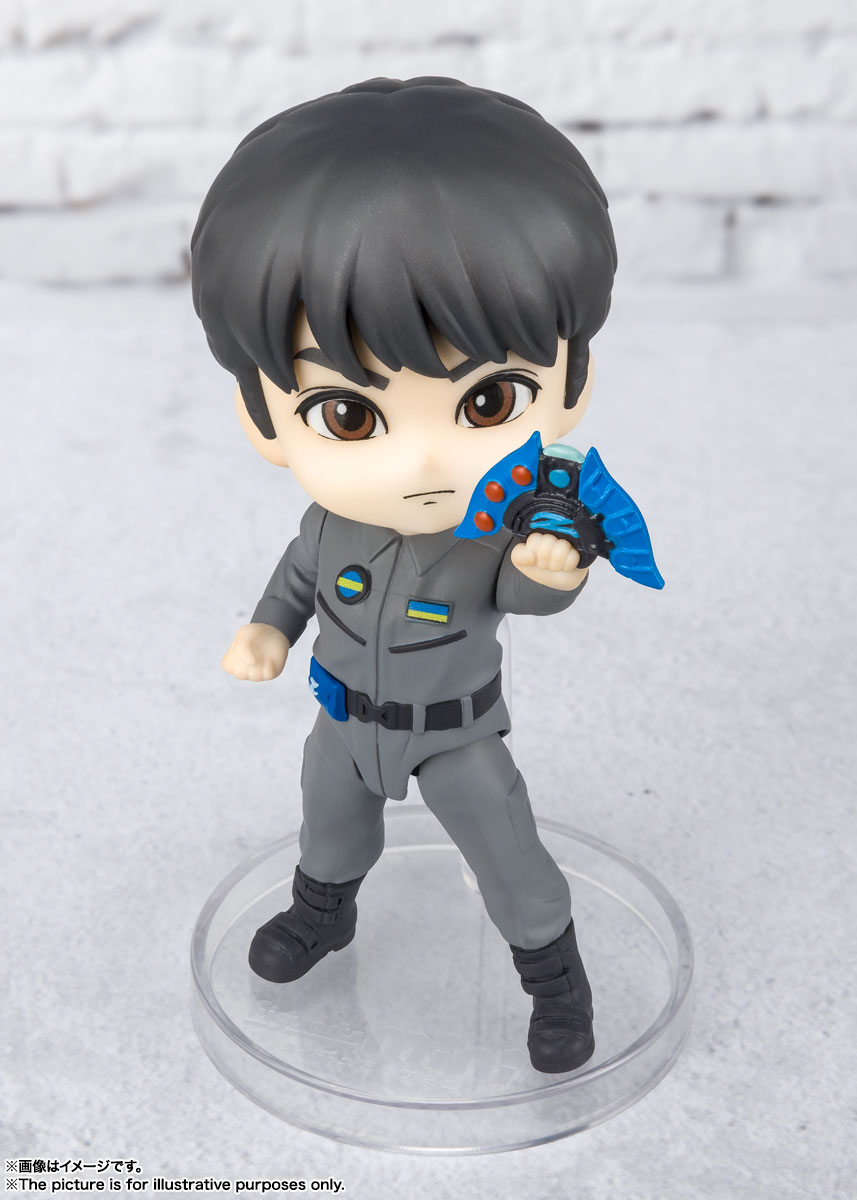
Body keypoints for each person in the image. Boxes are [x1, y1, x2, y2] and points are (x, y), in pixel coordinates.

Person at [191, 76, 617, 1073]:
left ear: (570, 384)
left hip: (454, 736)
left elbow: (525, 592)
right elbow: (298, 577)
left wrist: (553, 567)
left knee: (507, 855)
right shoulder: (328, 522)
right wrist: (266, 628)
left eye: (487, 402)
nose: (422, 462)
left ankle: (553, 980)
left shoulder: (491, 531)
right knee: (327, 821)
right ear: (261, 417)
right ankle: (321, 911)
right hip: (344, 723)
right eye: (348, 415)